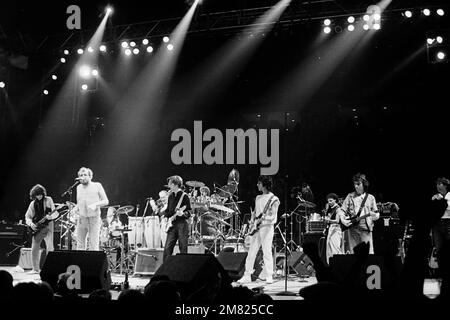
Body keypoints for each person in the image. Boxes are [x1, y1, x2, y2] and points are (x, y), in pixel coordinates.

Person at [237, 175, 280, 284]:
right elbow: (255, 213)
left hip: (267, 228)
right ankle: (247, 275)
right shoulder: (258, 198)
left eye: (259, 183)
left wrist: (265, 218)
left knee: (267, 251)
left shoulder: (274, 199)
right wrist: (252, 222)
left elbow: (273, 216)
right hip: (256, 228)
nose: (257, 185)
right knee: (251, 252)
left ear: (264, 184)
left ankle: (269, 275)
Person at [340, 173, 379, 254]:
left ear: (364, 184)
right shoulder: (350, 196)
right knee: (353, 254)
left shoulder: (371, 198)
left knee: (368, 254)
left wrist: (375, 216)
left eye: (358, 184)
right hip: (353, 229)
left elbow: (376, 214)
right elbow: (342, 210)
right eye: (355, 184)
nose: (356, 186)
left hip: (366, 229)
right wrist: (343, 220)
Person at [74, 167, 109, 251]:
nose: (83, 176)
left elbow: (106, 201)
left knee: (93, 245)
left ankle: (92, 264)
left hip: (94, 218)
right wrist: (75, 208)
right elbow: (79, 202)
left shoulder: (97, 185)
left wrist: (96, 204)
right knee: (80, 245)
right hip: (82, 219)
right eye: (81, 175)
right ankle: (81, 264)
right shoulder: (78, 187)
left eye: (85, 175)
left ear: (90, 176)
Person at [24, 184, 55, 274]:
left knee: (49, 246)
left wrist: (50, 217)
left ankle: (51, 268)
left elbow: (55, 212)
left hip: (48, 225)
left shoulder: (48, 199)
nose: (40, 196)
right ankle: (35, 269)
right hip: (38, 227)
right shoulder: (32, 203)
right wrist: (31, 224)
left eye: (41, 194)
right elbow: (27, 217)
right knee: (34, 247)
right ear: (34, 195)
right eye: (37, 195)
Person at [162, 175, 192, 261]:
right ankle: (165, 270)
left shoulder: (184, 196)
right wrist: (164, 216)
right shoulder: (170, 196)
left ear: (175, 185)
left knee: (182, 248)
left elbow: (189, 212)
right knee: (167, 248)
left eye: (170, 184)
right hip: (172, 225)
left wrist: (182, 214)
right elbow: (168, 211)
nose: (169, 186)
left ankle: (183, 271)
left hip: (182, 225)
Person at [324, 193, 345, 264]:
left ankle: (340, 264)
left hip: (336, 229)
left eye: (331, 201)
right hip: (330, 229)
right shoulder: (330, 209)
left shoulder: (338, 208)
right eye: (328, 201)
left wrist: (328, 220)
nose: (329, 202)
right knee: (329, 249)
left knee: (335, 248)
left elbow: (337, 221)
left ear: (335, 200)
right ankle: (332, 266)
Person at [431, 177, 450, 257]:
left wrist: (442, 201)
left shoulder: (449, 196)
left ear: (445, 185)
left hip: (448, 223)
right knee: (439, 249)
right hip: (437, 225)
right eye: (436, 184)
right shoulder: (436, 196)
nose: (437, 186)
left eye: (439, 184)